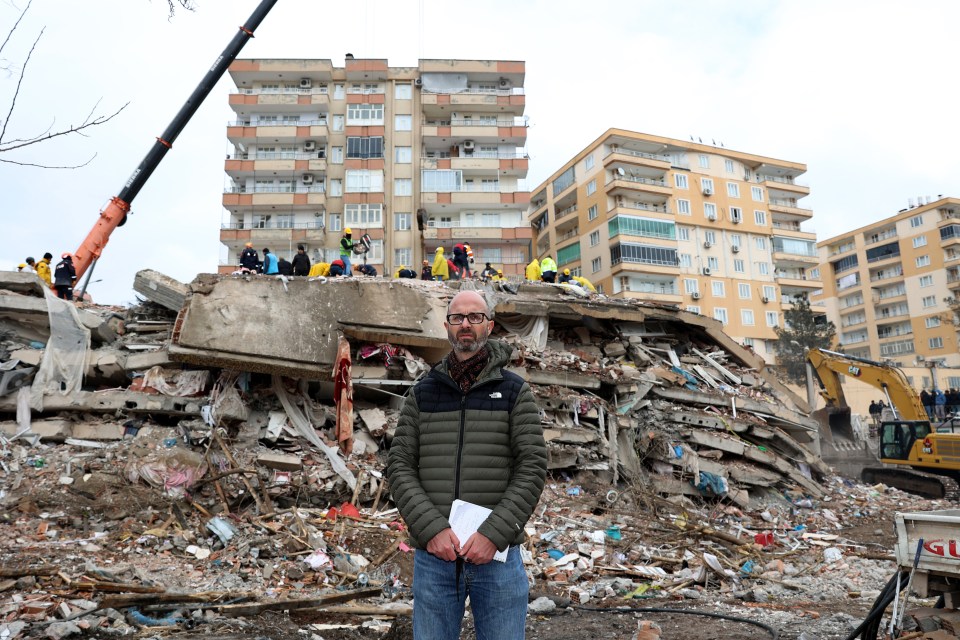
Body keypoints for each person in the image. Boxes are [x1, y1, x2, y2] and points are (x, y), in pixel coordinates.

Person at [386, 290, 547, 640]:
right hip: (436, 556)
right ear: (446, 326)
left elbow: (532, 467)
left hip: (496, 556)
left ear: (489, 325)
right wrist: (430, 529)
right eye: (457, 318)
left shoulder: (513, 392)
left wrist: (493, 534)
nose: (465, 325)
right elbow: (399, 465)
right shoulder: (423, 393)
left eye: (475, 317)